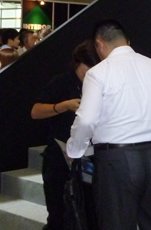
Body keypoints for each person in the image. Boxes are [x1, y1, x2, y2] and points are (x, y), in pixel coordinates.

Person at [66, 19, 151, 230]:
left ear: (99, 44)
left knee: (116, 224)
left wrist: (75, 149)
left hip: (117, 160)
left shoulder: (98, 73)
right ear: (127, 41)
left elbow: (87, 119)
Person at [32, 40, 99, 230]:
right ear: (77, 63)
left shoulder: (98, 84)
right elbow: (36, 112)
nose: (91, 73)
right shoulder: (61, 82)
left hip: (90, 156)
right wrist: (63, 106)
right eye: (88, 67)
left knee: (90, 213)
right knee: (58, 213)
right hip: (59, 156)